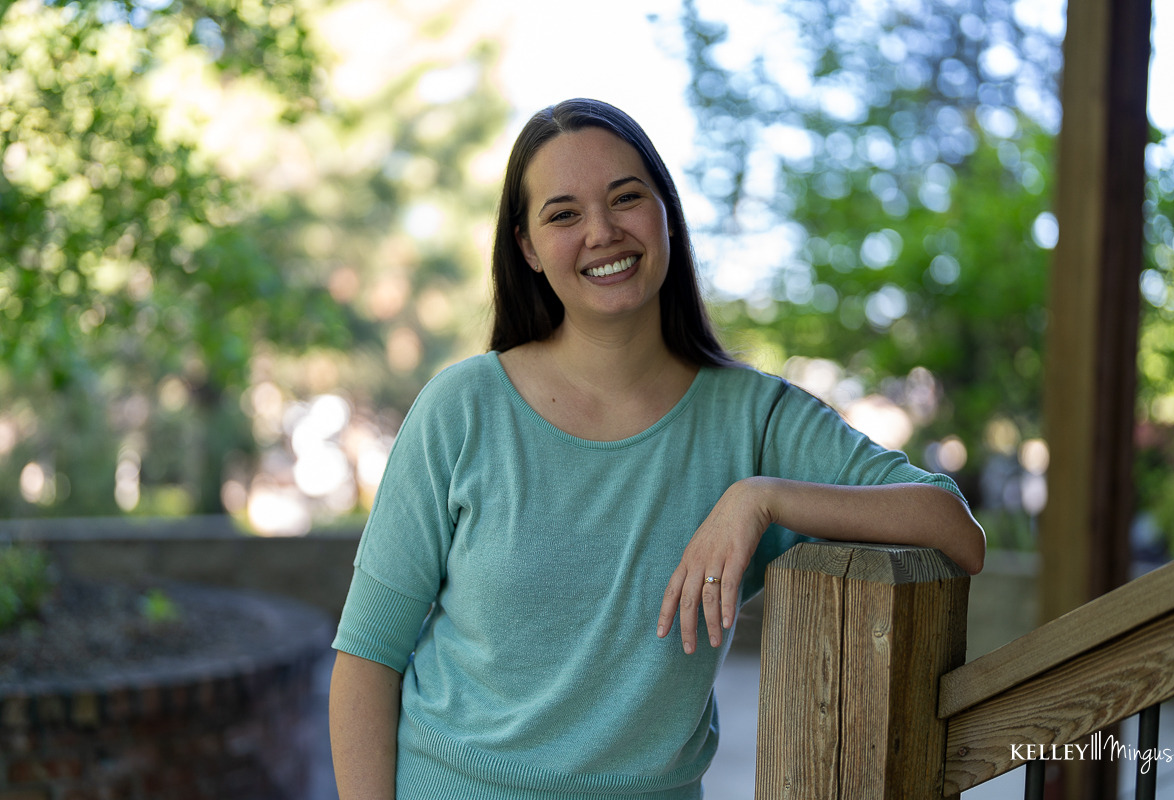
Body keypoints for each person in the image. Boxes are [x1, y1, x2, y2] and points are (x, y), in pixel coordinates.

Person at [328, 98, 985, 800]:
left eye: (626, 198)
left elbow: (955, 530)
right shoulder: (462, 410)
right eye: (564, 214)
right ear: (527, 247)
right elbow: (369, 656)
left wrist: (761, 497)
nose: (604, 233)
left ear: (665, 212)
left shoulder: (754, 420)